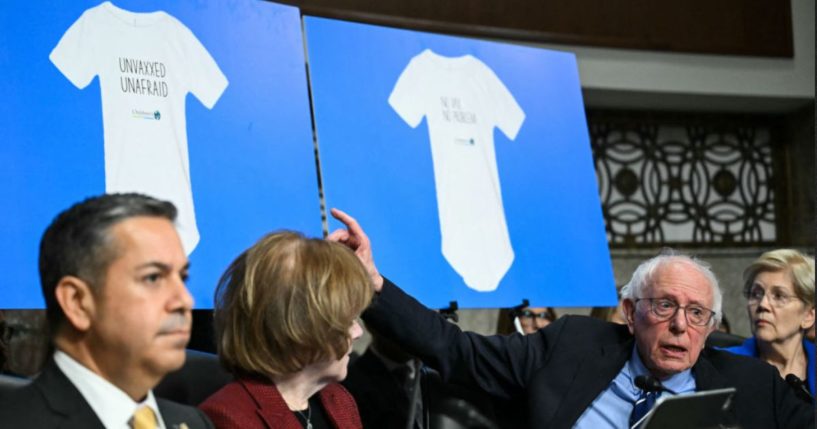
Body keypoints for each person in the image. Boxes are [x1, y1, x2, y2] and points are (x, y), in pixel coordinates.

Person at [327, 208, 814, 429]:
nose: (680, 326)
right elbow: (456, 350)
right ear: (630, 311)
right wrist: (373, 284)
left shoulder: (755, 386)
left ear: (710, 325)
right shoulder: (569, 346)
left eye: (696, 313)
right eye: (664, 306)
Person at [0, 193, 212, 428]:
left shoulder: (194, 422)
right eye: (153, 277)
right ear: (77, 301)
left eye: (183, 277)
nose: (185, 300)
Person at [198, 231, 371, 428]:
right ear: (298, 328)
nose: (358, 332)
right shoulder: (229, 419)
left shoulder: (339, 401)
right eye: (347, 320)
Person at [723, 249, 815, 394]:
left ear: (808, 315)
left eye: (779, 296)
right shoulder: (723, 365)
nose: (763, 305)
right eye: (756, 294)